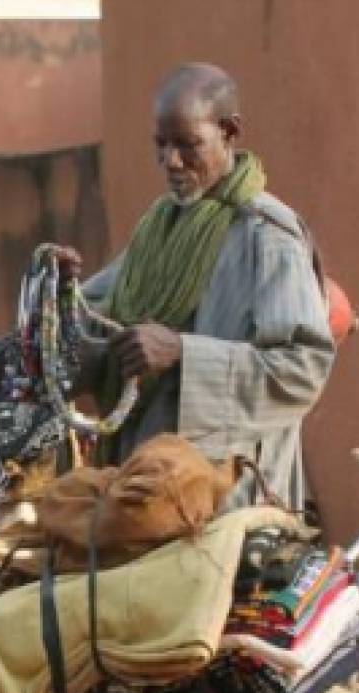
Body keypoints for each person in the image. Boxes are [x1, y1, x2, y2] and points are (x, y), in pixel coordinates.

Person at [77, 62, 336, 507]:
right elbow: (97, 317)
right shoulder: (160, 229)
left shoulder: (268, 237)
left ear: (229, 132)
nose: (171, 161)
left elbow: (303, 370)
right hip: (144, 482)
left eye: (188, 145)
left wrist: (183, 353)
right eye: (161, 145)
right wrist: (57, 299)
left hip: (233, 499)